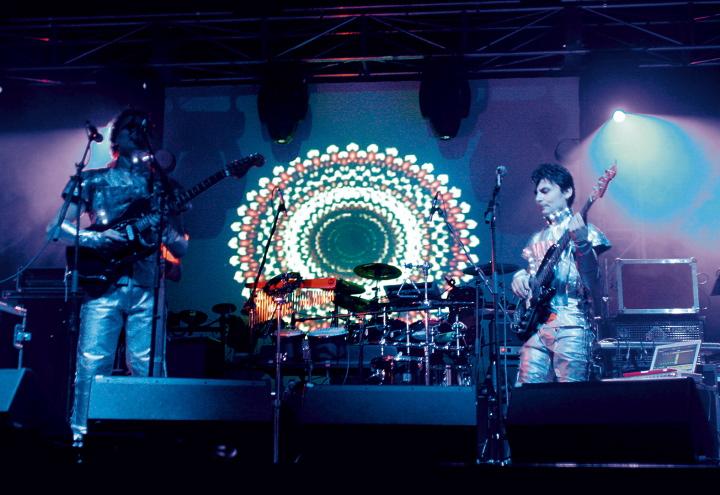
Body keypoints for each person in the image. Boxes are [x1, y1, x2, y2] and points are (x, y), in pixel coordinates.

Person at [46, 108, 189, 445]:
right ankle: (81, 437)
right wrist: (97, 239)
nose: (138, 131)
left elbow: (181, 248)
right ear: (115, 137)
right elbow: (56, 227)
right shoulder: (92, 179)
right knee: (93, 363)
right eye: (130, 127)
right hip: (103, 284)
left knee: (149, 365)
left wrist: (166, 231)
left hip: (147, 285)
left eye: (144, 127)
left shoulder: (163, 187)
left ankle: (151, 437)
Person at [510, 163, 610, 384]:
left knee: (571, 396)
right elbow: (534, 277)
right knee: (527, 394)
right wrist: (520, 278)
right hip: (537, 326)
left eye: (545, 191)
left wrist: (582, 244)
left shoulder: (589, 232)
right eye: (536, 193)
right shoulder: (536, 238)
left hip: (571, 324)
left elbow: (593, 282)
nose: (538, 198)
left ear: (567, 191)